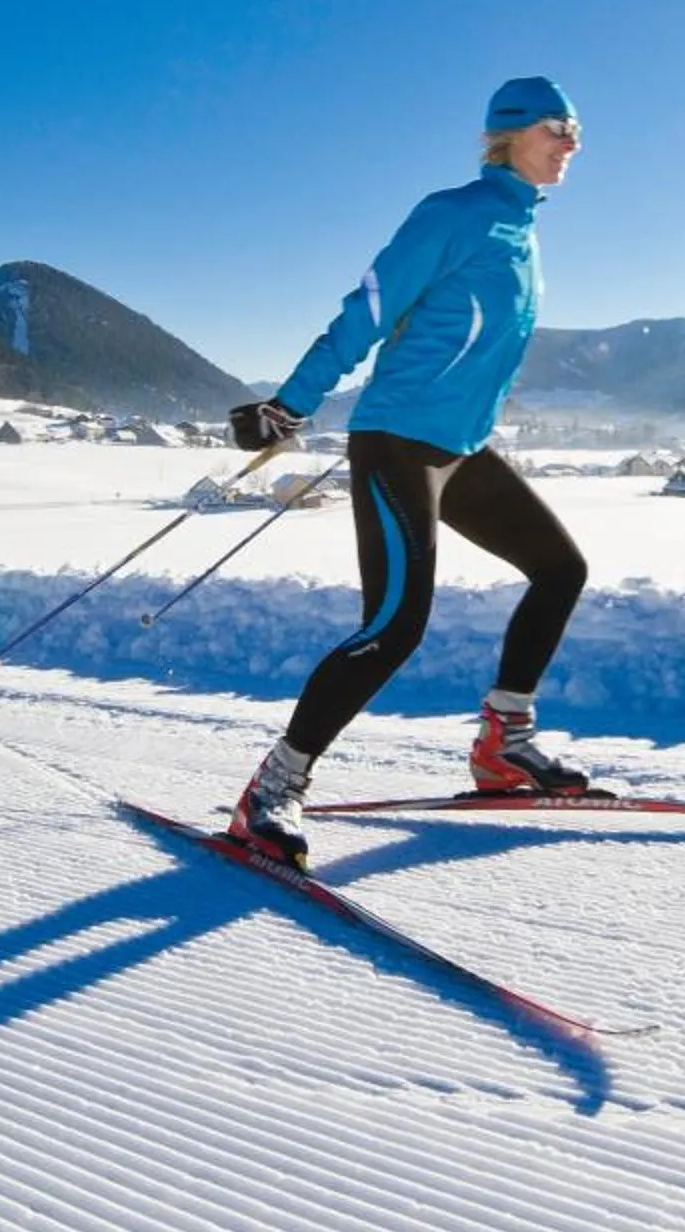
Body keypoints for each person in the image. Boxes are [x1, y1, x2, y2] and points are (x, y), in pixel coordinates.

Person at [224, 77, 596, 865]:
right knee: (395, 626)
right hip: (397, 441)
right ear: (512, 131)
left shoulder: (522, 232)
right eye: (560, 127)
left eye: (577, 129)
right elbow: (367, 308)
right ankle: (272, 789)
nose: (573, 142)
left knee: (560, 568)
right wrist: (292, 404)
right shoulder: (453, 213)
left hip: (458, 447)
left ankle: (505, 742)